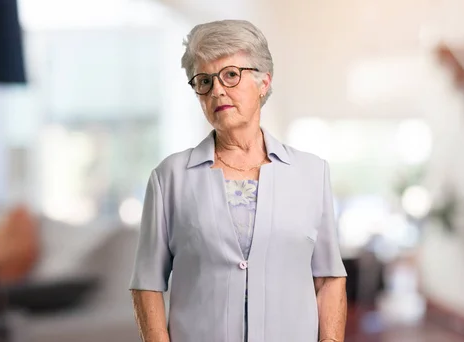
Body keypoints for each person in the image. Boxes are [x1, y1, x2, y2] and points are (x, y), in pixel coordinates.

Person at [129, 19, 347, 342]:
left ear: (264, 82)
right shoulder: (169, 179)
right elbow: (147, 283)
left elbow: (329, 279)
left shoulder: (312, 174)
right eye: (204, 80)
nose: (217, 89)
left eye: (231, 75)